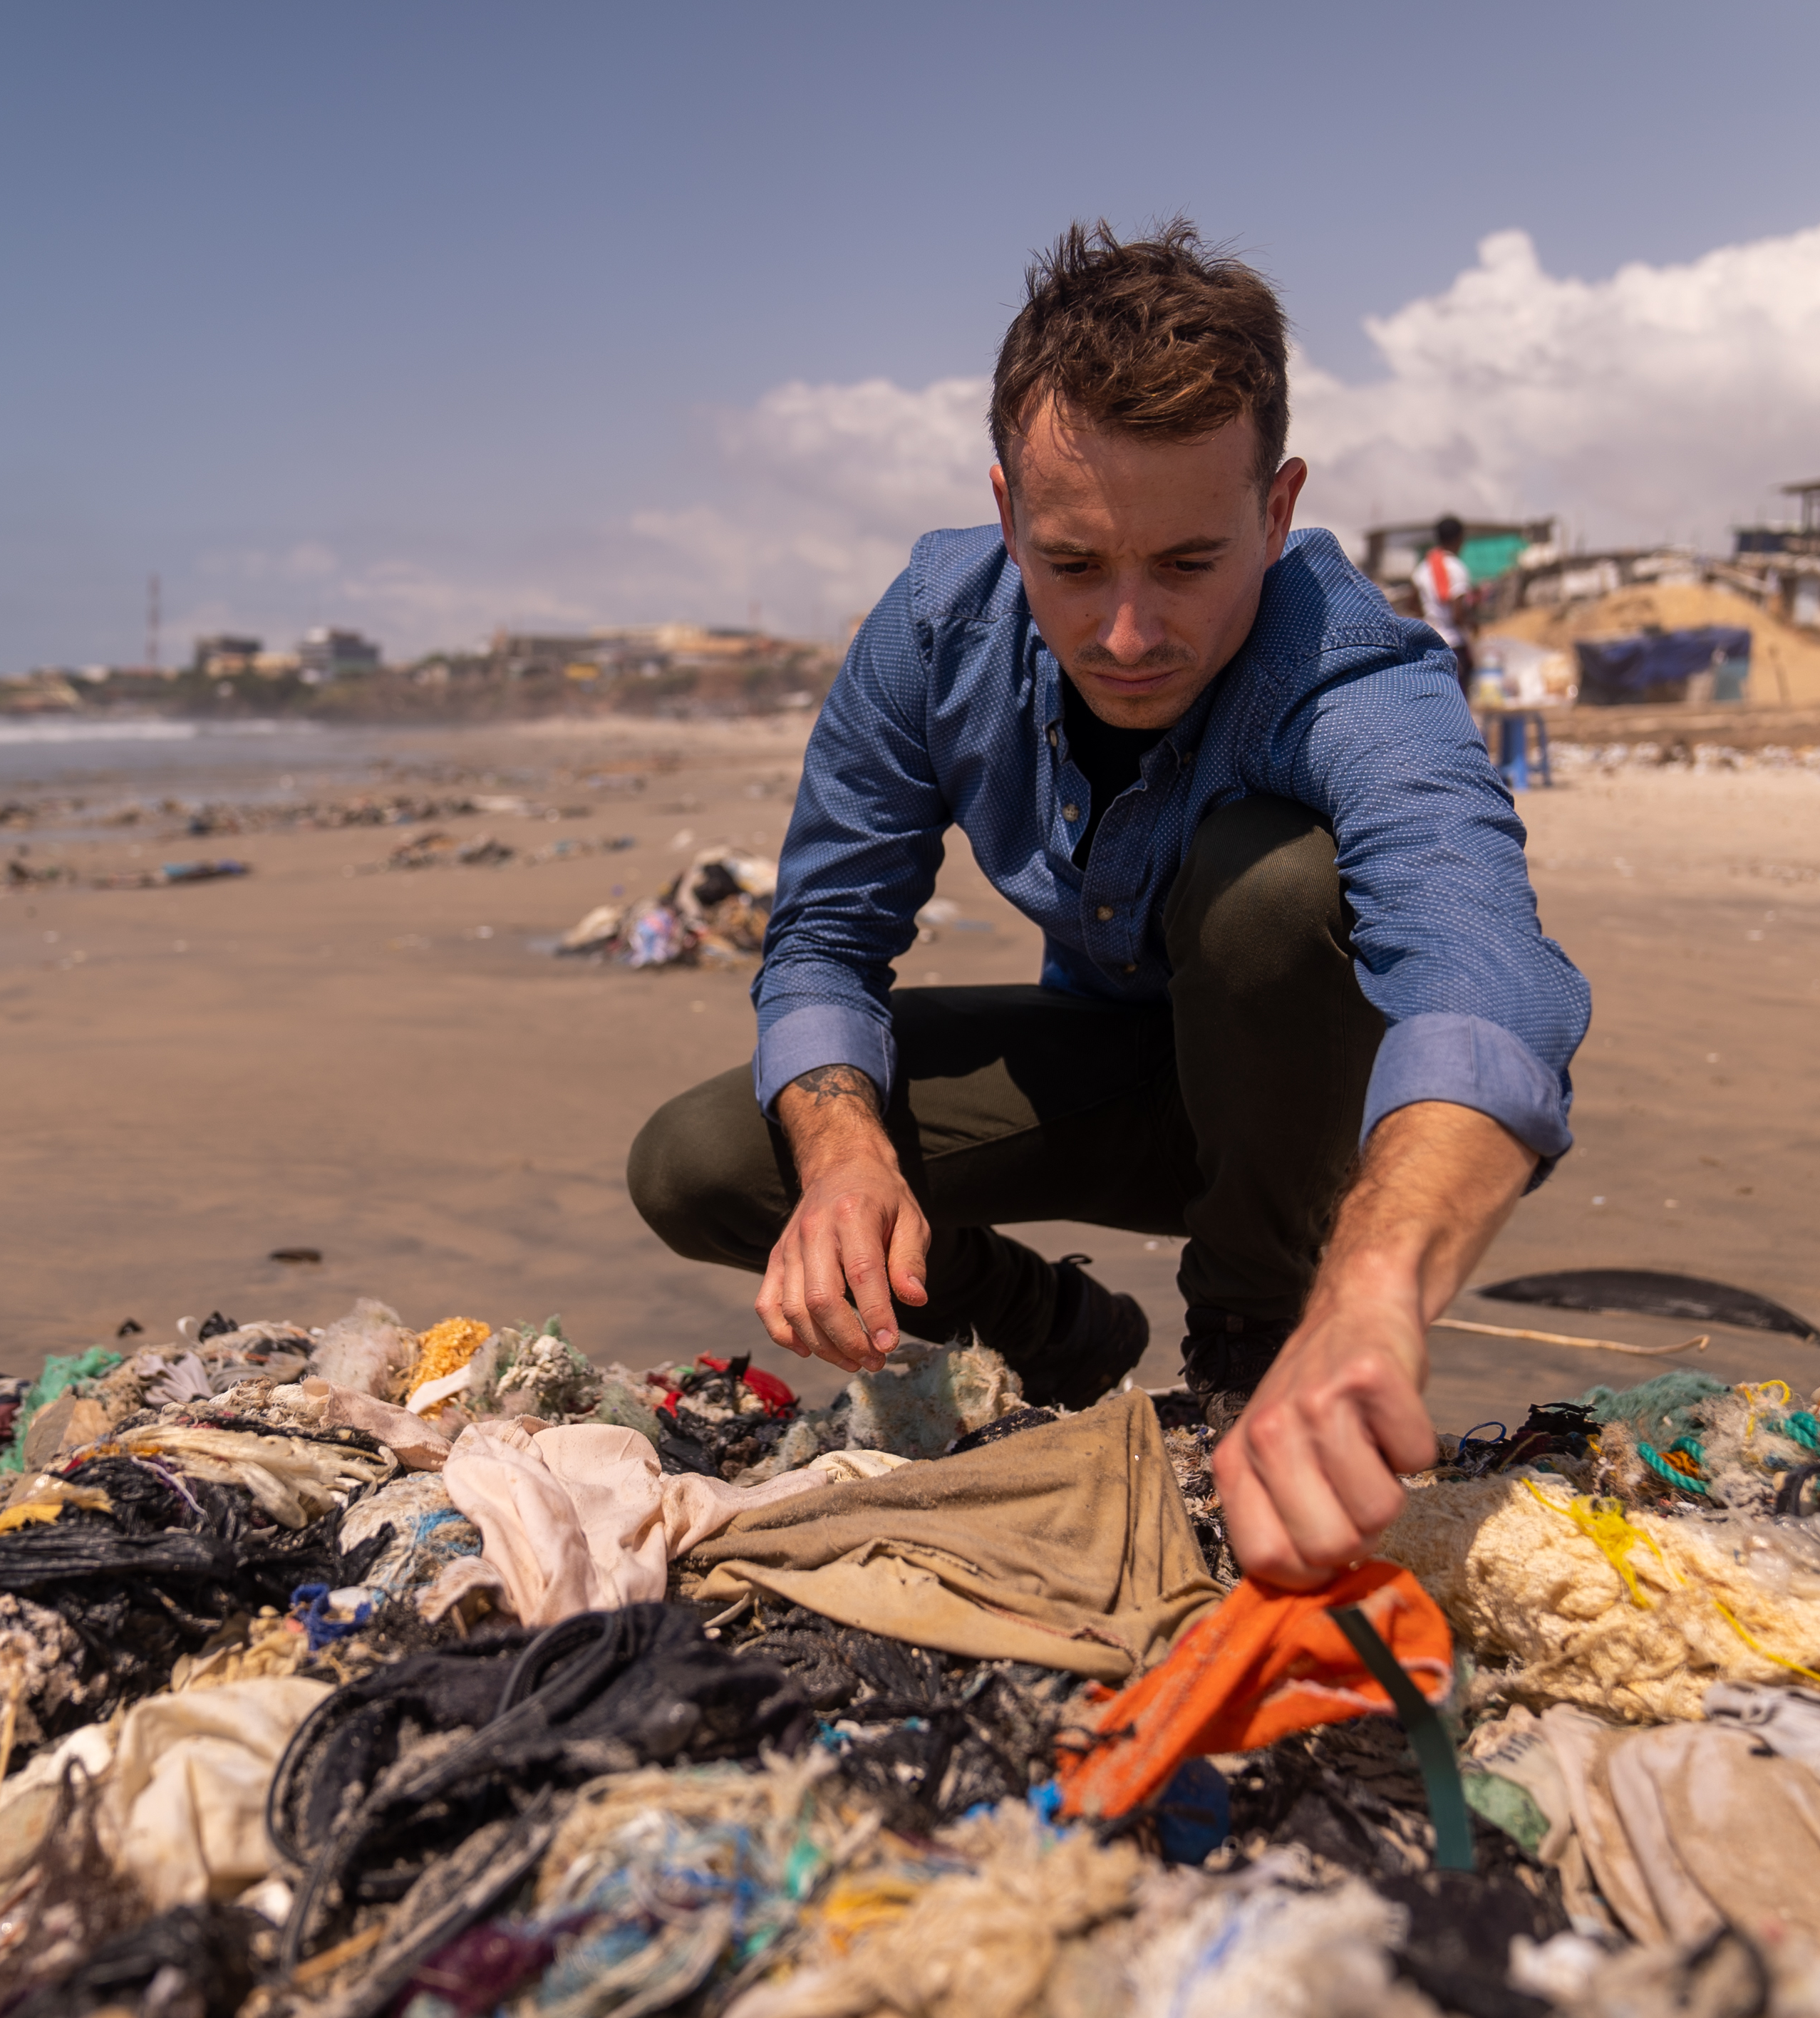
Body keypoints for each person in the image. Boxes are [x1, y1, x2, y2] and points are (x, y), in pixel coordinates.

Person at [626, 222, 1591, 1585]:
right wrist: (846, 1159)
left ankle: (1252, 1354)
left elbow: (1488, 981)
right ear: (1009, 506)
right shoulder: (933, 629)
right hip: (1119, 1082)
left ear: (1276, 509)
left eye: (1190, 565)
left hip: (1308, 1116)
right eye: (1074, 564)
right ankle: (1056, 1325)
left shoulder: (1353, 672)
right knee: (706, 1160)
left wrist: (1372, 1291)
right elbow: (828, 940)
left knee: (1276, 886)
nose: (1128, 636)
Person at [1411, 515, 1473, 650]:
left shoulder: (1422, 569)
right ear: (1459, 538)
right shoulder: (1457, 568)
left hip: (1428, 642)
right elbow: (1458, 616)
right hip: (1452, 643)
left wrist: (1430, 619)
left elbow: (1412, 604)